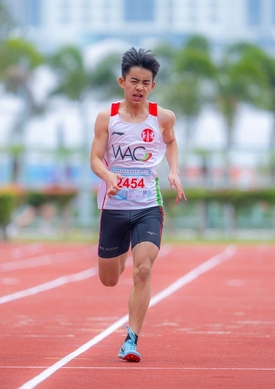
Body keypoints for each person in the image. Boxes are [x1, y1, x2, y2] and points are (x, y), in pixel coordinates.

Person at [90, 47, 186, 362]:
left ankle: (130, 340)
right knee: (109, 279)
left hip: (148, 206)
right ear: (122, 82)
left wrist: (173, 170)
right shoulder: (107, 118)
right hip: (115, 207)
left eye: (146, 83)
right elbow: (95, 158)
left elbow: (171, 142)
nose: (139, 88)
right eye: (134, 81)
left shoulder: (163, 117)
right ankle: (119, 256)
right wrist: (108, 175)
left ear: (153, 86)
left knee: (143, 269)